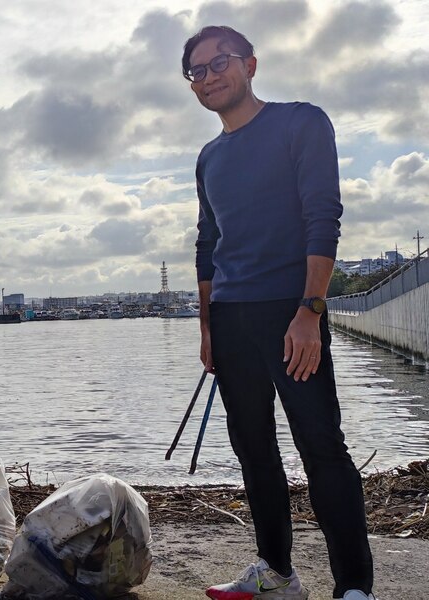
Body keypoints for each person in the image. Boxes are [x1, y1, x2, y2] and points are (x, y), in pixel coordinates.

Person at [184, 26, 375, 600]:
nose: (211, 75)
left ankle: (354, 589)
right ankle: (276, 572)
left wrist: (311, 310)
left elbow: (323, 215)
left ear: (251, 64)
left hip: (292, 314)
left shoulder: (301, 123)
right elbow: (207, 242)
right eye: (198, 71)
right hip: (232, 318)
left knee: (321, 446)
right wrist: (207, 327)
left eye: (221, 63)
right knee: (254, 450)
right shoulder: (209, 157)